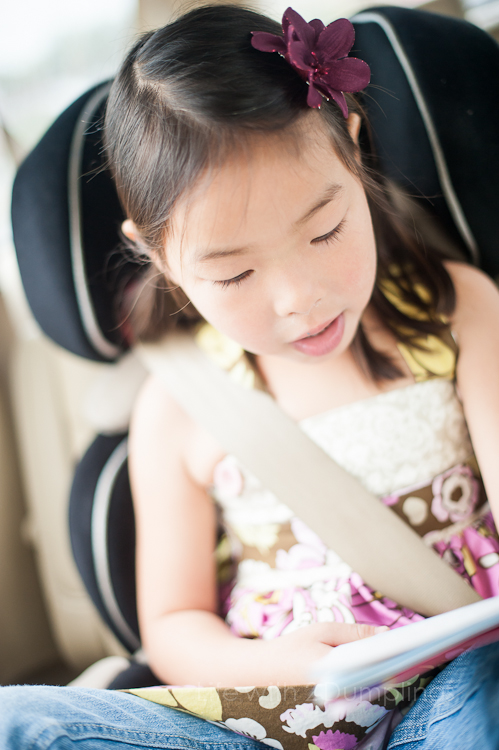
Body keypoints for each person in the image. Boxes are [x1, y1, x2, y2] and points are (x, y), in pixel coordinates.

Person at [2, 4, 499, 749]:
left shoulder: (456, 310)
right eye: (234, 274)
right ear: (161, 259)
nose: (299, 298)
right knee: (18, 720)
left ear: (354, 150)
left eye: (325, 230)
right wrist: (279, 665)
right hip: (270, 718)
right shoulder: (176, 406)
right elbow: (174, 624)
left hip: (452, 692)